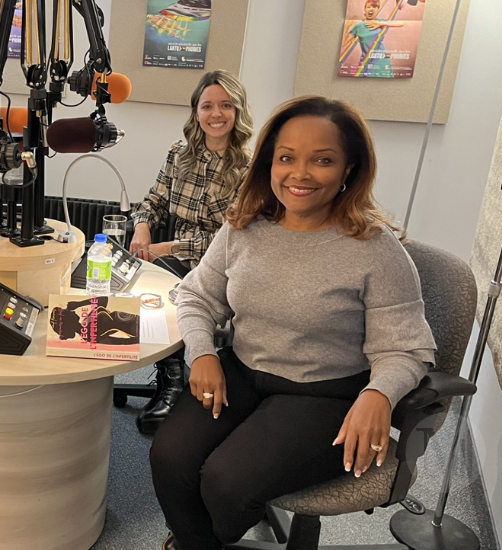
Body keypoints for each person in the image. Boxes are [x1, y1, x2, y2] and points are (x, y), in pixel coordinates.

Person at [149, 95, 436, 550]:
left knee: (225, 482)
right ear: (268, 163)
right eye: (286, 158)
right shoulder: (244, 226)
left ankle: (194, 543)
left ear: (349, 168)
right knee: (170, 458)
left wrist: (379, 394)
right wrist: (202, 352)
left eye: (322, 160)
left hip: (324, 392)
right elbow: (196, 295)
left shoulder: (376, 248)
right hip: (242, 370)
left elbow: (406, 347)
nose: (299, 174)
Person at [128, 69, 254, 433]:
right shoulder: (179, 155)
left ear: (238, 111)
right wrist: (142, 226)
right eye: (207, 105)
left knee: (168, 290)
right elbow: (153, 200)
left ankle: (173, 384)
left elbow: (234, 238)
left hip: (224, 267)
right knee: (132, 277)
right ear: (196, 112)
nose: (216, 114)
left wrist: (164, 247)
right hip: (176, 259)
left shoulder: (251, 166)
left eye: (225, 105)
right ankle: (167, 374)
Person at [343, 0, 406, 78]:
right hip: (366, 60)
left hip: (381, 60)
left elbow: (401, 23)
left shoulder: (380, 22)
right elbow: (343, 43)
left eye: (374, 7)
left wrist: (379, 23)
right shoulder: (359, 26)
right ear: (365, 10)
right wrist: (346, 27)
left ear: (377, 10)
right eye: (368, 7)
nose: (371, 9)